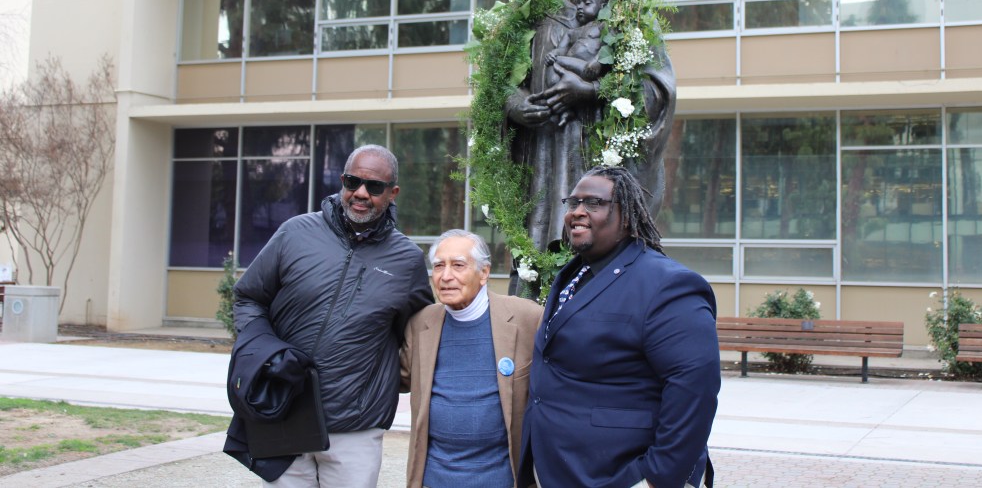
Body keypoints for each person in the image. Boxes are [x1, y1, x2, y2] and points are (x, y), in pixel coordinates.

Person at [230, 144, 434, 487]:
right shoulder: (294, 233)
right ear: (342, 180)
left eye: (375, 187)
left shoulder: (407, 260)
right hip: (285, 408)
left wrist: (384, 383)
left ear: (393, 193)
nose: (361, 193)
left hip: (357, 423)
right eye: (353, 181)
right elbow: (249, 297)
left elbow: (415, 333)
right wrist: (264, 354)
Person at [518, 166, 720, 488]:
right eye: (573, 203)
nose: (578, 213)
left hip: (622, 474)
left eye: (594, 203)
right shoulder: (573, 275)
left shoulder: (668, 285)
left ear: (626, 216)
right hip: (560, 469)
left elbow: (694, 391)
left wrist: (659, 478)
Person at [504, 0, 676, 294]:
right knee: (537, 243)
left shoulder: (629, 17)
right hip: (543, 153)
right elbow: (501, 82)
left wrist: (592, 93)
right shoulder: (536, 19)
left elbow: (657, 88)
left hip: (595, 154)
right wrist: (518, 105)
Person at [401, 229, 543, 488]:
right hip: (434, 479)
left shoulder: (527, 319)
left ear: (484, 273)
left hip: (502, 479)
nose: (446, 277)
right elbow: (395, 379)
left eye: (458, 266)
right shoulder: (421, 324)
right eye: (438, 266)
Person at [544, 0, 611, 127]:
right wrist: (554, 53)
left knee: (558, 62)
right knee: (552, 65)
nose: (580, 7)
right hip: (571, 70)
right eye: (578, 3)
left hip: (588, 68)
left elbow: (610, 45)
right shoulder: (572, 32)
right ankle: (565, 111)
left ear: (602, 6)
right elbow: (561, 49)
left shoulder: (603, 26)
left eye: (587, 3)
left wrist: (598, 61)